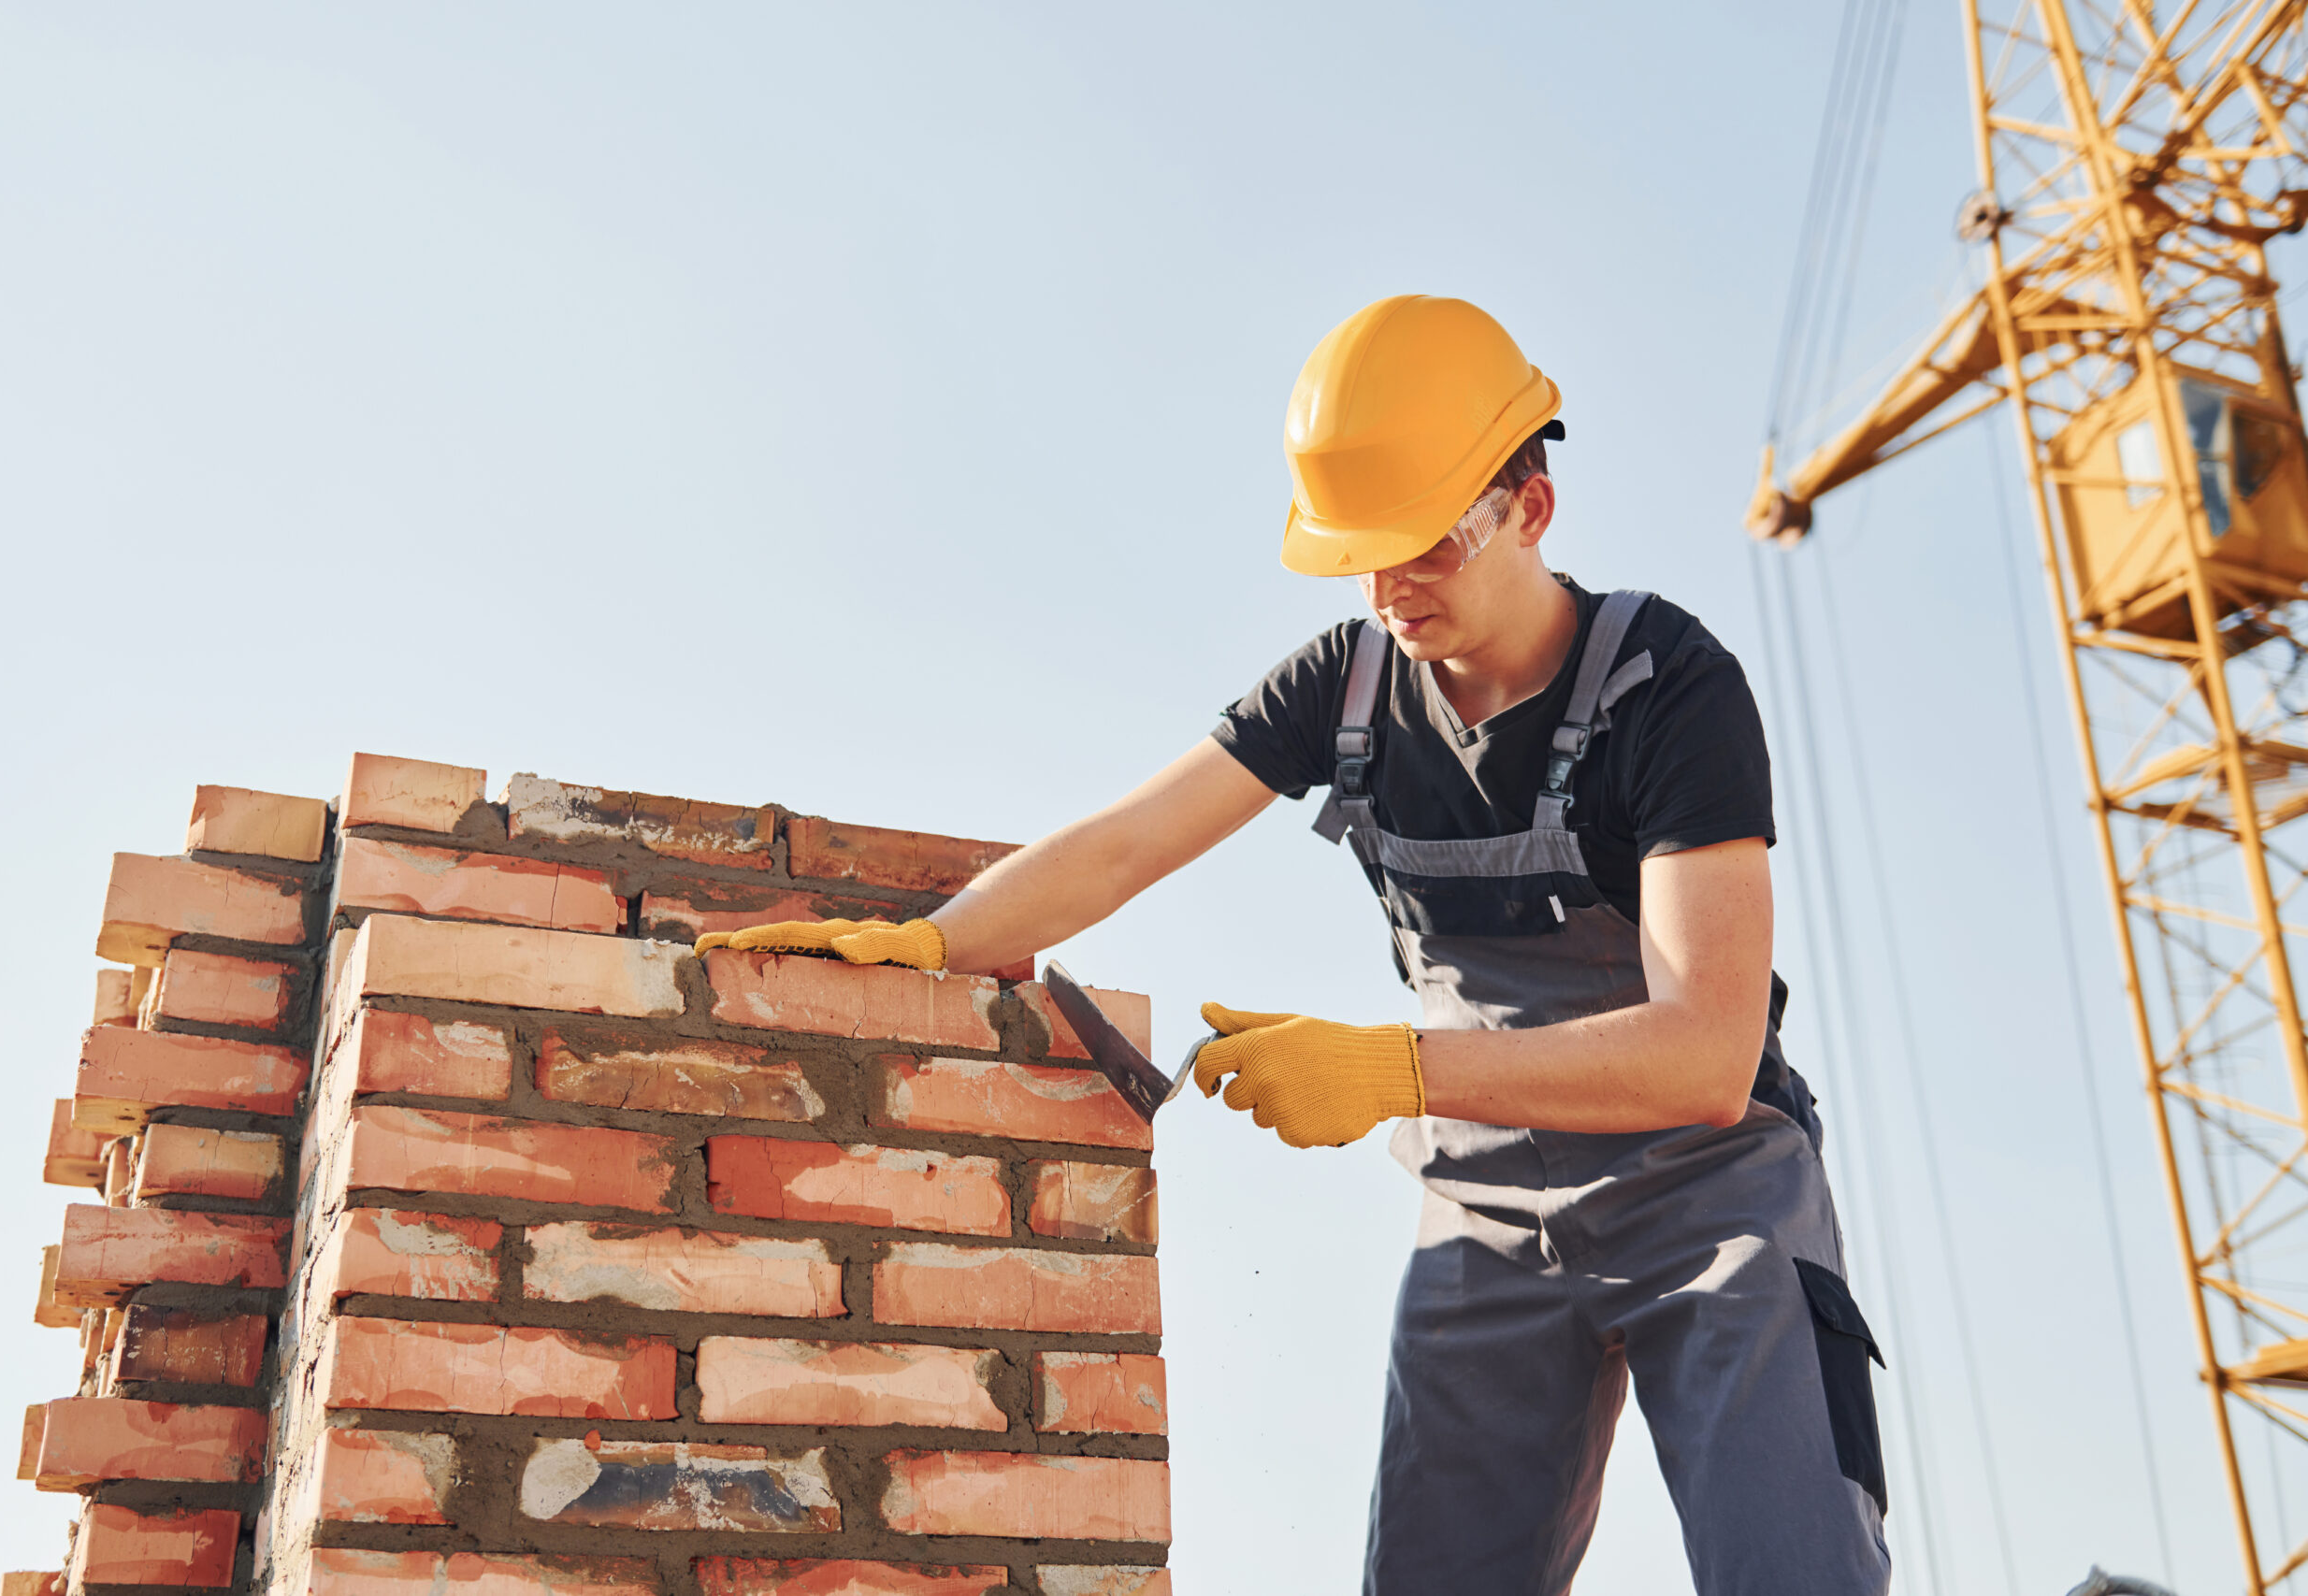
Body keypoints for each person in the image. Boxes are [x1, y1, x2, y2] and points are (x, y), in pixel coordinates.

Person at [697, 295, 1891, 1596]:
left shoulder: (1667, 689)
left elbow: (1707, 1053)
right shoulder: (1347, 686)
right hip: (1485, 1210)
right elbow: (1122, 848)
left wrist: (1396, 1072)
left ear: (1530, 510)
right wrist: (934, 944)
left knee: (1793, 1570)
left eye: (1424, 545)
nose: (1392, 590)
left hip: (1706, 1199)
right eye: (1361, 558)